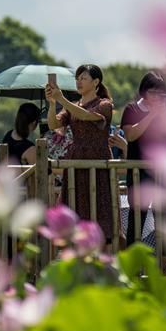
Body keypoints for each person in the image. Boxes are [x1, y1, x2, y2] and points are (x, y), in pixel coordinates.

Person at [46, 64, 114, 243]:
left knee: (99, 206)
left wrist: (62, 99)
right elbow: (53, 125)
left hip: (98, 161)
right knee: (74, 204)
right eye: (77, 78)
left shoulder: (104, 104)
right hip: (76, 160)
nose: (79, 82)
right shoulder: (72, 106)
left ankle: (101, 253)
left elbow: (86, 116)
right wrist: (53, 104)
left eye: (83, 78)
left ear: (96, 82)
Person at [120, 71, 166, 247]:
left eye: (160, 93)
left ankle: (164, 269)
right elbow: (131, 135)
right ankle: (132, 270)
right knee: (136, 220)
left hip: (162, 174)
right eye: (152, 91)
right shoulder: (131, 109)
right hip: (137, 173)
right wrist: (151, 115)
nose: (156, 96)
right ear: (143, 90)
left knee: (164, 221)